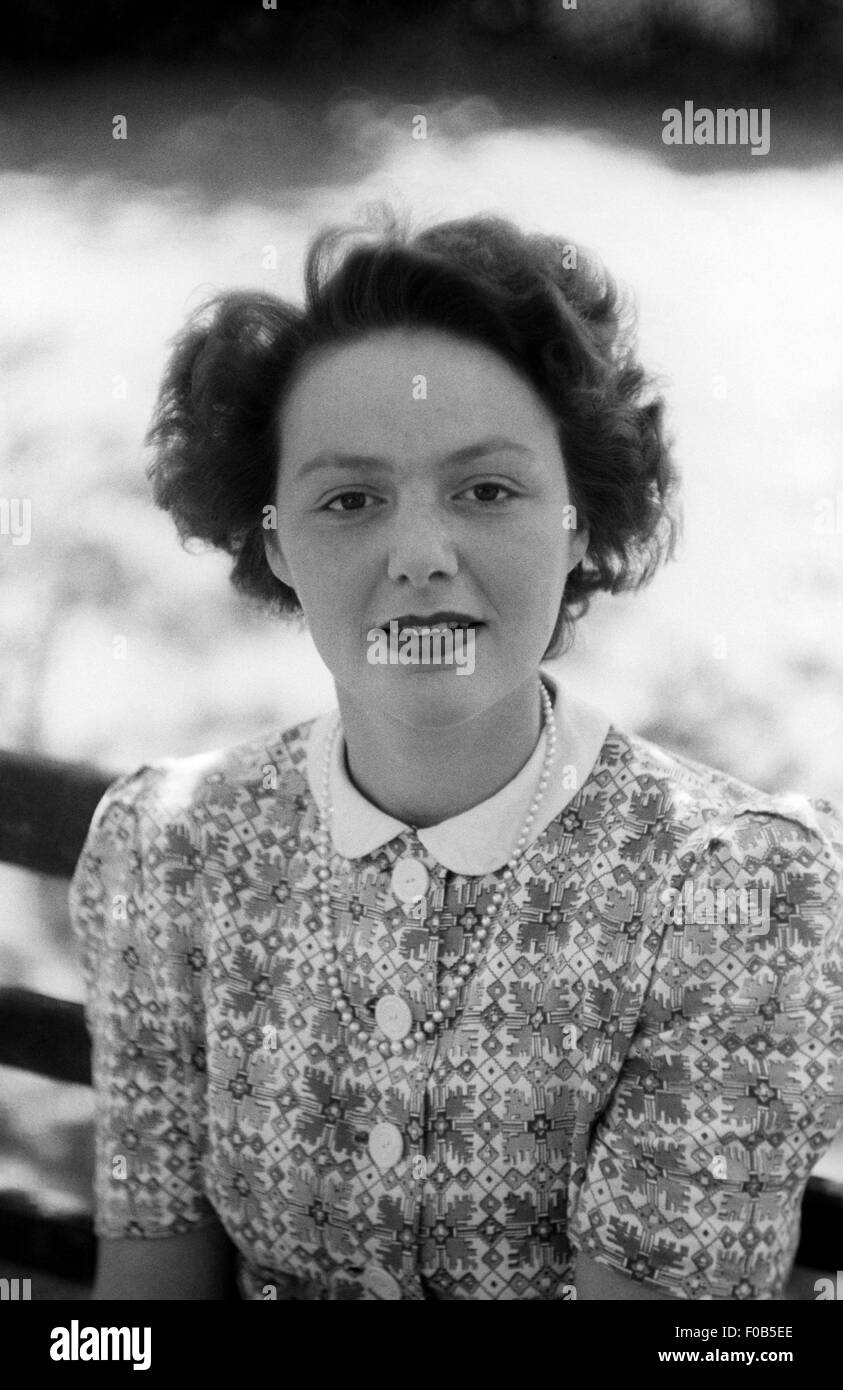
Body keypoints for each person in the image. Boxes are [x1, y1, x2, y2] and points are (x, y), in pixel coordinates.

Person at [69, 206, 843, 1300]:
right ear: (278, 543)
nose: (422, 557)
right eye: (350, 500)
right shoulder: (170, 852)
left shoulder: (732, 893)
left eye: (487, 490)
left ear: (578, 520)